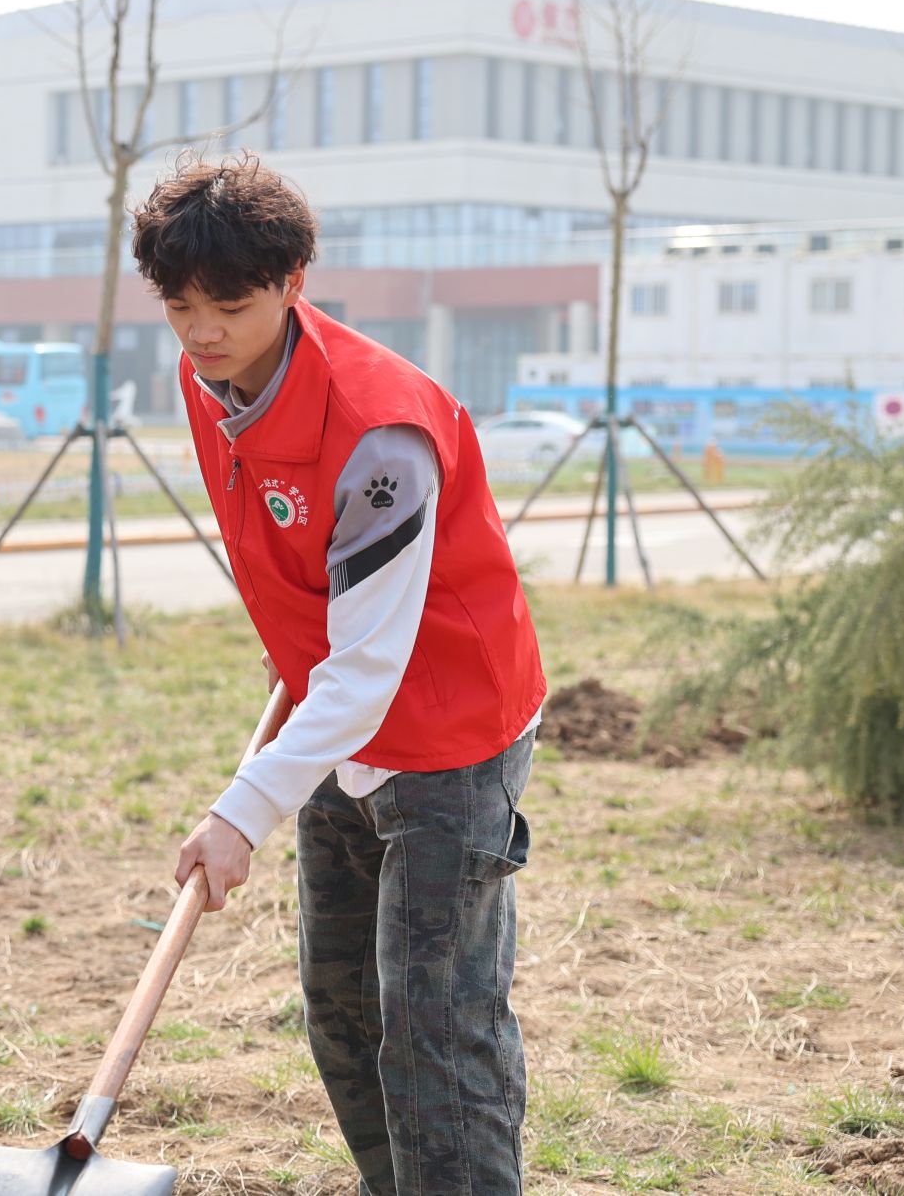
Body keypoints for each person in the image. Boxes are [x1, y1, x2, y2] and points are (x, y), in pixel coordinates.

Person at [136, 157, 545, 1195]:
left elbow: (370, 669)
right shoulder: (207, 379)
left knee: (436, 1030)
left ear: (292, 282)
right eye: (179, 307)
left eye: (229, 306)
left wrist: (239, 813)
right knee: (344, 1012)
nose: (201, 332)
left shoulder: (379, 433)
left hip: (448, 733)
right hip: (329, 715)